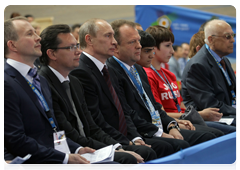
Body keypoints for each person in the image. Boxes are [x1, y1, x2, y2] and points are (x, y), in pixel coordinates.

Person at [4, 16, 124, 170]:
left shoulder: (39, 80)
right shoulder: (6, 82)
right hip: (33, 161)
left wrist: (76, 149)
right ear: (12, 45)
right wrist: (65, 158)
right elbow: (17, 140)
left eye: (36, 32)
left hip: (55, 154)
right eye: (29, 34)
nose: (38, 37)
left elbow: (54, 131)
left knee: (113, 166)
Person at [70, 18, 177, 161]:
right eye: (108, 36)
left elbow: (124, 110)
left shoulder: (108, 69)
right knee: (161, 148)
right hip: (106, 140)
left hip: (125, 135)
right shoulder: (81, 71)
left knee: (168, 145)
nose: (114, 42)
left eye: (114, 36)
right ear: (89, 40)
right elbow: (96, 120)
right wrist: (125, 143)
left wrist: (135, 137)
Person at [38, 23, 142, 167]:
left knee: (132, 156)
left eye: (77, 46)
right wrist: (114, 149)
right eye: (71, 47)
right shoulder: (44, 84)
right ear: (52, 54)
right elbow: (67, 131)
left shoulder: (73, 81)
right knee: (125, 160)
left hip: (84, 144)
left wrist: (116, 147)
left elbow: (91, 126)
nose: (78, 52)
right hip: (68, 149)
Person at [107, 19, 217, 149]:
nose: (139, 46)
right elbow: (129, 114)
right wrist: (161, 131)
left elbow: (155, 107)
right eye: (132, 42)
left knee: (215, 134)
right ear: (116, 47)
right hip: (143, 132)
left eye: (138, 41)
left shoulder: (138, 70)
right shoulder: (111, 73)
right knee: (201, 139)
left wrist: (171, 124)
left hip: (159, 124)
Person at [139, 27, 235, 135]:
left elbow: (181, 106)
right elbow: (161, 114)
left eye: (171, 45)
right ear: (154, 48)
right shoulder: (148, 75)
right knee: (216, 134)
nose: (172, 51)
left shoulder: (168, 74)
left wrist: (197, 115)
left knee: (225, 129)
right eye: (167, 46)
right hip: (172, 123)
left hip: (186, 119)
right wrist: (200, 115)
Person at [181, 19, 238, 127]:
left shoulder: (223, 60)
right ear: (211, 39)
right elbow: (211, 105)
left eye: (233, 35)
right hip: (211, 119)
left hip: (229, 111)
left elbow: (234, 93)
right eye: (227, 36)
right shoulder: (197, 65)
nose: (233, 40)